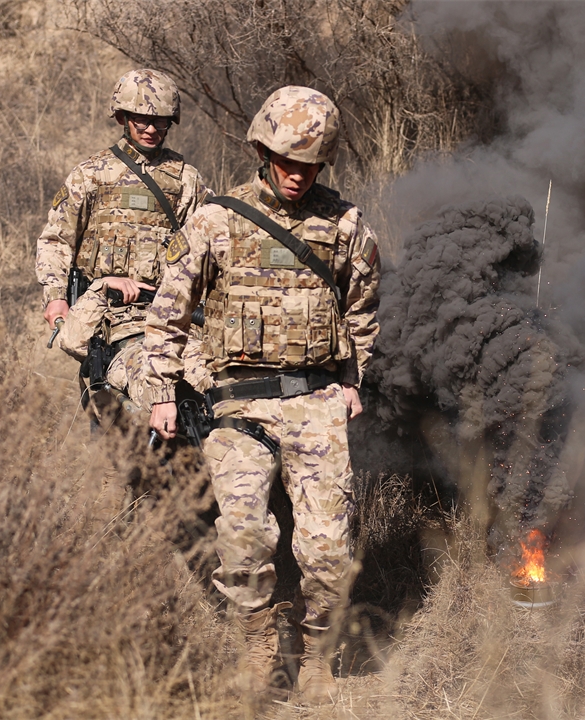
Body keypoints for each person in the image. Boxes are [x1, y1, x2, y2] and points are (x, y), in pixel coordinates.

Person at [142, 86, 381, 704]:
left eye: (310, 165)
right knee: (244, 537)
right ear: (260, 150)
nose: (297, 176)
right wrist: (164, 388)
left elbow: (362, 309)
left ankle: (318, 654)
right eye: (286, 161)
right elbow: (170, 310)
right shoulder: (217, 219)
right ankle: (258, 650)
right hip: (239, 403)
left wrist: (355, 379)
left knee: (328, 548)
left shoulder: (346, 224)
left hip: (317, 401)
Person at [35, 69, 212, 424]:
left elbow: (209, 247)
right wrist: (55, 296)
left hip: (174, 317)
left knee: (212, 389)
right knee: (132, 409)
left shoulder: (185, 179)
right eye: (142, 121)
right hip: (110, 320)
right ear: (122, 117)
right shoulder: (91, 175)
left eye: (161, 122)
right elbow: (57, 239)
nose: (151, 129)